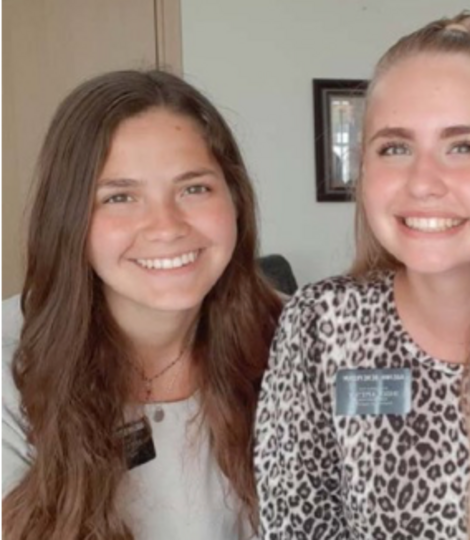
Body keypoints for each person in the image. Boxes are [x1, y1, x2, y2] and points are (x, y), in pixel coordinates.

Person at [254, 12, 470, 540]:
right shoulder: (321, 324)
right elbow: (295, 524)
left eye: (463, 147)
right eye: (395, 147)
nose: (423, 182)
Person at [0, 70, 283, 540]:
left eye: (194, 188)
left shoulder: (297, 338)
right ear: (69, 217)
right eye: (120, 197)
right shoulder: (9, 366)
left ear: (235, 199)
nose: (166, 227)